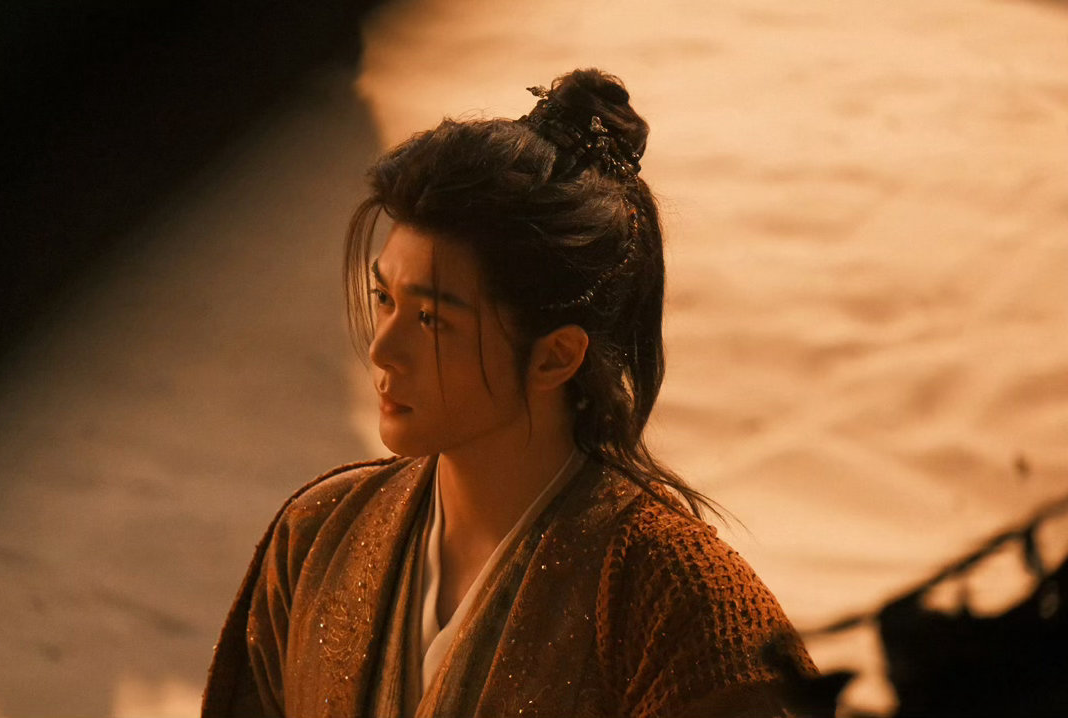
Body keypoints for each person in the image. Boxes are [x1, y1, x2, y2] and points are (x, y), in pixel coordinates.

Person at [201, 68, 817, 718]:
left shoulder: (677, 600)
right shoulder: (318, 537)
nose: (383, 350)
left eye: (431, 319)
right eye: (385, 299)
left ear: (555, 355)